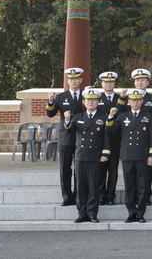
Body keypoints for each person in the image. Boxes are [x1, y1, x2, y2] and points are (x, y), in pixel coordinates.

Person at [108, 89, 152, 223]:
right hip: (127, 155)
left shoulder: (149, 116)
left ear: (142, 101)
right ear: (129, 102)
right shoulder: (123, 115)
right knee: (129, 185)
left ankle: (140, 213)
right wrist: (111, 117)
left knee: (142, 185)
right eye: (133, 100)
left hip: (142, 155)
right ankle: (131, 212)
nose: (135, 102)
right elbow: (111, 130)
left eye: (138, 100)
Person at [64, 88, 111, 223]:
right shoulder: (78, 117)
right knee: (81, 186)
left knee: (94, 186)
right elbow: (69, 130)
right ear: (84, 102)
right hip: (80, 156)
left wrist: (105, 154)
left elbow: (106, 138)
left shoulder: (103, 118)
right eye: (88, 100)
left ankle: (92, 214)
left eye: (93, 100)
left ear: (98, 102)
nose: (91, 102)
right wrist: (67, 120)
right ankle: (81, 213)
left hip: (96, 157)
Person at [46, 67, 85, 207]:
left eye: (76, 79)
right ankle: (67, 197)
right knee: (65, 168)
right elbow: (51, 113)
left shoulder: (86, 96)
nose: (73, 81)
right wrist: (50, 101)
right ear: (68, 81)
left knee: (79, 169)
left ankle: (78, 195)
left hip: (81, 136)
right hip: (66, 137)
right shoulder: (61, 97)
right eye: (71, 79)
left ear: (80, 80)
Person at [128, 68, 152, 206]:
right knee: (132, 173)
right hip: (131, 142)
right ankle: (134, 196)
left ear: (147, 82)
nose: (140, 82)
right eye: (137, 80)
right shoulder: (127, 98)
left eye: (142, 80)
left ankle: (146, 196)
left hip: (146, 140)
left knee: (146, 172)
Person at [95, 71, 127, 206]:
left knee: (113, 169)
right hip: (99, 138)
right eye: (106, 82)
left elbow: (123, 114)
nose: (108, 84)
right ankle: (101, 194)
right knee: (101, 169)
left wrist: (122, 98)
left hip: (115, 137)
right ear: (102, 84)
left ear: (114, 84)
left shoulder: (121, 98)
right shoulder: (96, 97)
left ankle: (110, 196)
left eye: (111, 82)